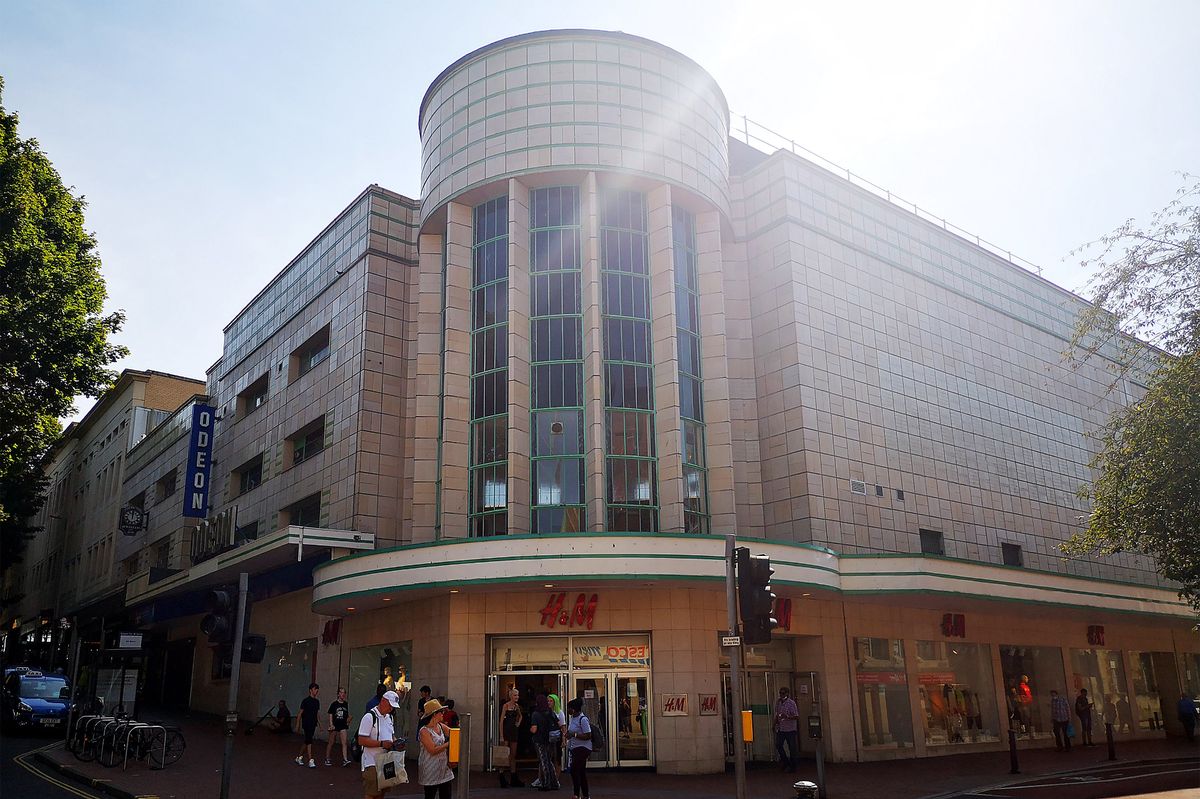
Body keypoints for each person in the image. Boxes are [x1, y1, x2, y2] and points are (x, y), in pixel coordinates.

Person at [358, 689, 400, 799]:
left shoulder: (389, 717)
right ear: (383, 701)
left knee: (382, 792)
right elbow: (361, 740)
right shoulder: (369, 717)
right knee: (371, 793)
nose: (391, 709)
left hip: (386, 761)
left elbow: (391, 735)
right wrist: (382, 744)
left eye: (393, 707)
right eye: (390, 705)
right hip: (372, 762)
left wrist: (396, 742)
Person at [417, 698, 454, 799]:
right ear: (434, 714)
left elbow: (454, 734)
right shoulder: (424, 731)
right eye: (441, 712)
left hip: (444, 769)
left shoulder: (441, 726)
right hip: (430, 769)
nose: (443, 714)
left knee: (446, 795)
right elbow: (432, 750)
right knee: (430, 795)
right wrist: (448, 744)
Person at [530, 694, 560, 792]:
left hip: (540, 740)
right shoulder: (550, 712)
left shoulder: (535, 714)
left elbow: (534, 729)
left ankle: (546, 783)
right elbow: (558, 723)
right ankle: (555, 782)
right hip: (550, 739)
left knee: (543, 761)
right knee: (549, 761)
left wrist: (530, 730)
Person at [565, 698, 592, 799]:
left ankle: (576, 794)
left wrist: (574, 734)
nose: (568, 710)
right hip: (575, 748)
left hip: (583, 748)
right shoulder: (573, 719)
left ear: (574, 709)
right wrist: (568, 735)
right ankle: (585, 795)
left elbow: (588, 735)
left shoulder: (583, 719)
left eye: (569, 708)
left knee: (574, 770)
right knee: (581, 772)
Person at [499, 686, 524, 788]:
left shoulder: (517, 706)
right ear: (511, 696)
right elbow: (501, 721)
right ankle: (502, 776)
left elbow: (520, 715)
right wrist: (501, 735)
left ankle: (513, 777)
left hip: (514, 731)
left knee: (513, 755)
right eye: (515, 695)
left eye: (517, 695)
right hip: (506, 732)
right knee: (505, 755)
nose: (516, 696)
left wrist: (518, 723)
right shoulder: (505, 706)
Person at [774, 686, 800, 772]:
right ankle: (786, 762)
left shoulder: (791, 703)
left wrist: (787, 716)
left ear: (787, 694)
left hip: (790, 729)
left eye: (783, 693)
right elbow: (777, 714)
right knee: (778, 745)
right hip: (781, 728)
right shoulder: (778, 702)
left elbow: (796, 716)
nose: (781, 695)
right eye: (780, 693)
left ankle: (793, 766)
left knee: (792, 748)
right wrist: (774, 724)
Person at [295, 683, 321, 767]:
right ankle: (311, 760)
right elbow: (300, 713)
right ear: (310, 690)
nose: (316, 691)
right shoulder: (305, 701)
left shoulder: (317, 702)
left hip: (313, 723)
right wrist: (297, 725)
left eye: (317, 689)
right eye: (315, 689)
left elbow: (317, 714)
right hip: (306, 723)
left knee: (307, 741)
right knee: (309, 741)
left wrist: (320, 724)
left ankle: (299, 757)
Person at [326, 686, 353, 766]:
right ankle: (327, 758)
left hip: (343, 725)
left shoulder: (345, 704)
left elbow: (346, 714)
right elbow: (330, 714)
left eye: (344, 693)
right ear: (338, 694)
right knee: (331, 742)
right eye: (341, 692)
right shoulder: (334, 704)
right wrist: (331, 724)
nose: (343, 694)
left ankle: (345, 759)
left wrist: (348, 720)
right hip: (335, 724)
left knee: (344, 742)